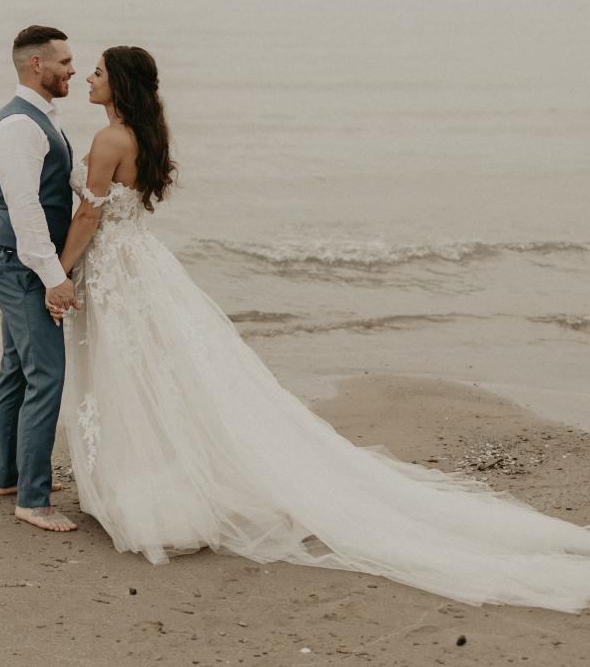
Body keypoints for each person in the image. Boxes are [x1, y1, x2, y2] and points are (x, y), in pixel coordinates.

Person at [45, 45, 590, 612]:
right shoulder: (147, 134)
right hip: (141, 264)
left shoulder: (109, 140)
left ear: (122, 83)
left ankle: (154, 494)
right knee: (162, 376)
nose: (88, 76)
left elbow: (90, 215)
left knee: (130, 376)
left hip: (117, 270)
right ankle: (168, 483)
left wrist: (58, 272)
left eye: (100, 71)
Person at [0, 25, 79, 532]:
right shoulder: (19, 125)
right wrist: (54, 275)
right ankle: (33, 499)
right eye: (64, 61)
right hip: (21, 265)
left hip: (13, 261)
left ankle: (11, 476)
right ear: (36, 65)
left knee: (18, 368)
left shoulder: (39, 117)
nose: (73, 69)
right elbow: (25, 209)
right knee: (47, 375)